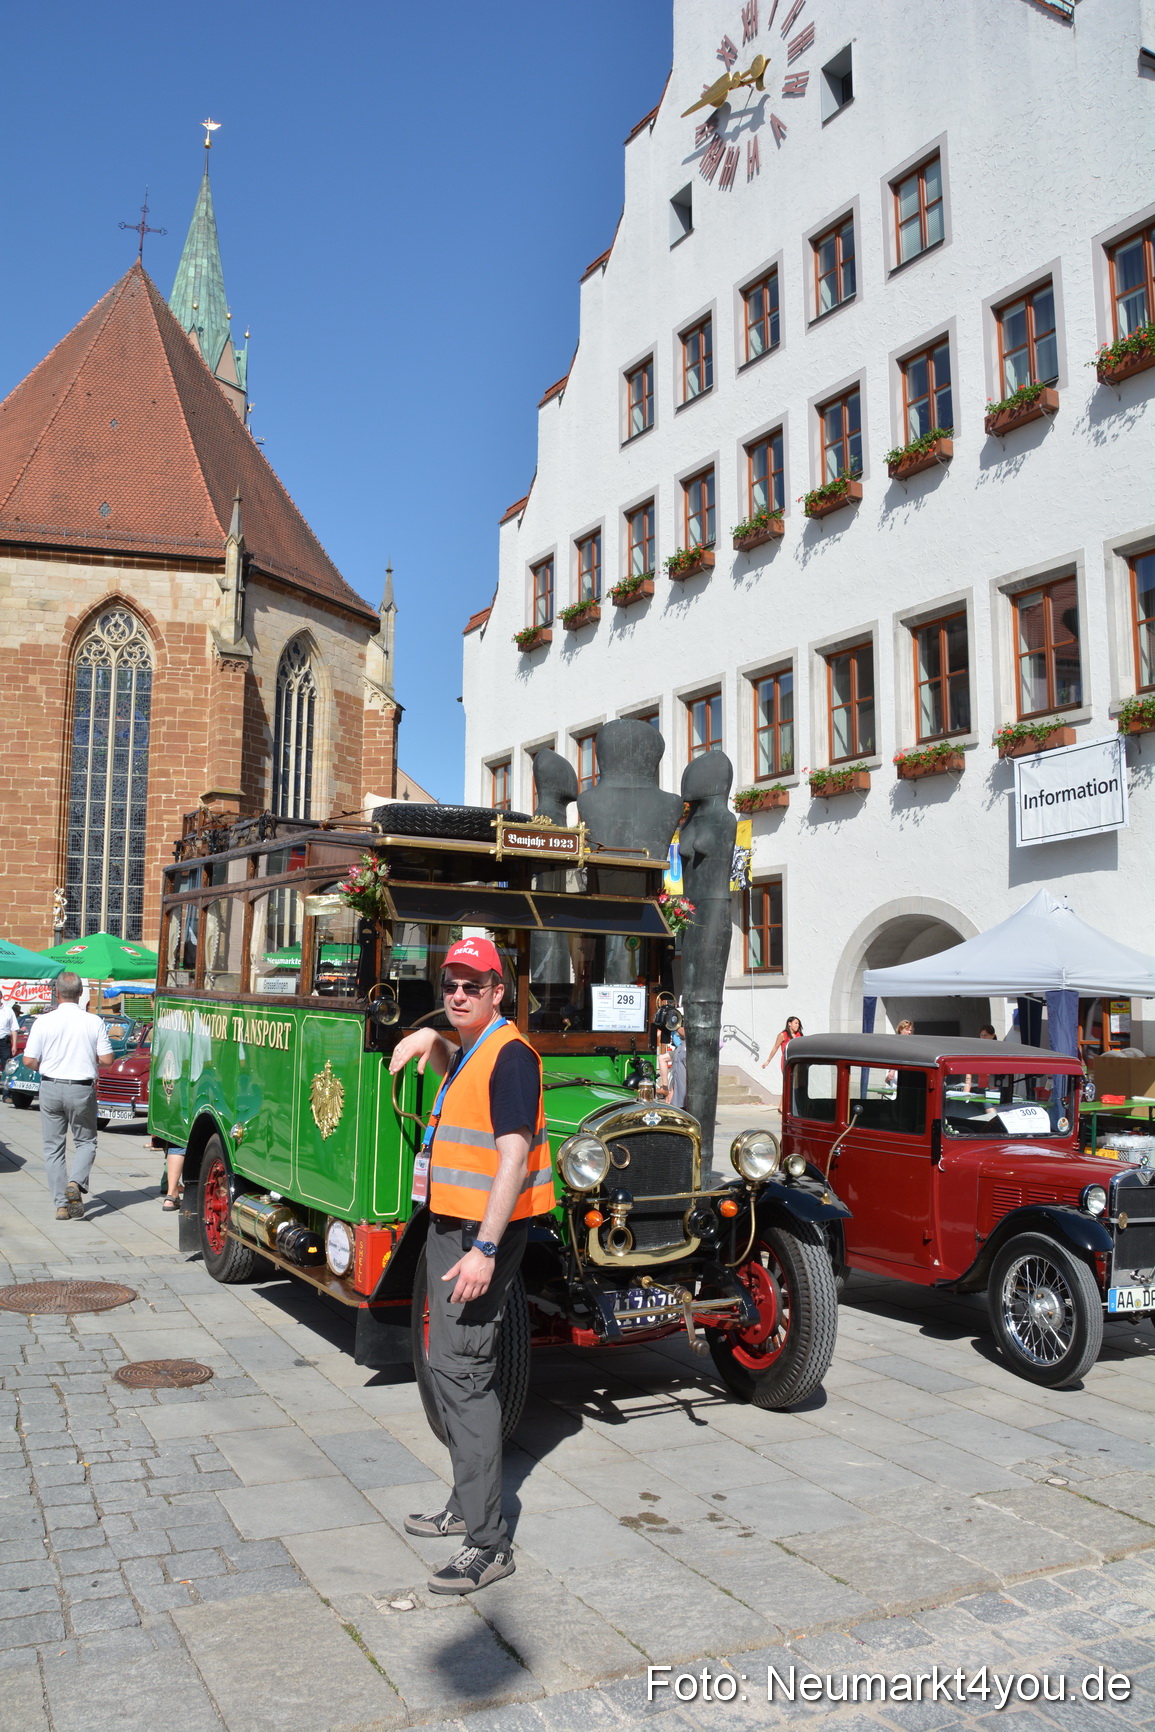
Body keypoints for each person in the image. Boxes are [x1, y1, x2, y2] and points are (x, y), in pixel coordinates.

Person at [388, 936, 553, 1595]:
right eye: (450, 983)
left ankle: (487, 1544)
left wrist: (484, 1249)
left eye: (472, 985)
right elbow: (462, 1071)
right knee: (447, 1367)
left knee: (462, 1376)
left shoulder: (511, 1057)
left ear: (498, 992)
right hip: (449, 1228)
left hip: (474, 1239)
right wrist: (430, 1044)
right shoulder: (476, 1050)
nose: (458, 994)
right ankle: (465, 1504)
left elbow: (511, 1158)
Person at [22, 972, 113, 1221]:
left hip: (51, 1086)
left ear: (57, 992)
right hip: (81, 1088)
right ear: (81, 993)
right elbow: (107, 1059)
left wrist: (46, 1065)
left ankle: (62, 1204)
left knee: (53, 1148)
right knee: (86, 1141)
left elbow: (28, 1059)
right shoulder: (93, 1021)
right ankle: (76, 1182)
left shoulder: (43, 1022)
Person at [761, 1015, 803, 1081]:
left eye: (798, 1024)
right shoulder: (783, 1035)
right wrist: (768, 1061)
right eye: (796, 1023)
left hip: (797, 1060)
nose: (797, 1025)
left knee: (798, 1081)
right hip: (787, 1060)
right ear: (789, 1023)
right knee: (788, 1081)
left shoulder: (799, 1034)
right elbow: (775, 1047)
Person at [0, 998, 17, 1068]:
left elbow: (14, 1029)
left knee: (6, 1067)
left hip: (4, 1042)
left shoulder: (8, 1010)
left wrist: (14, 1045)